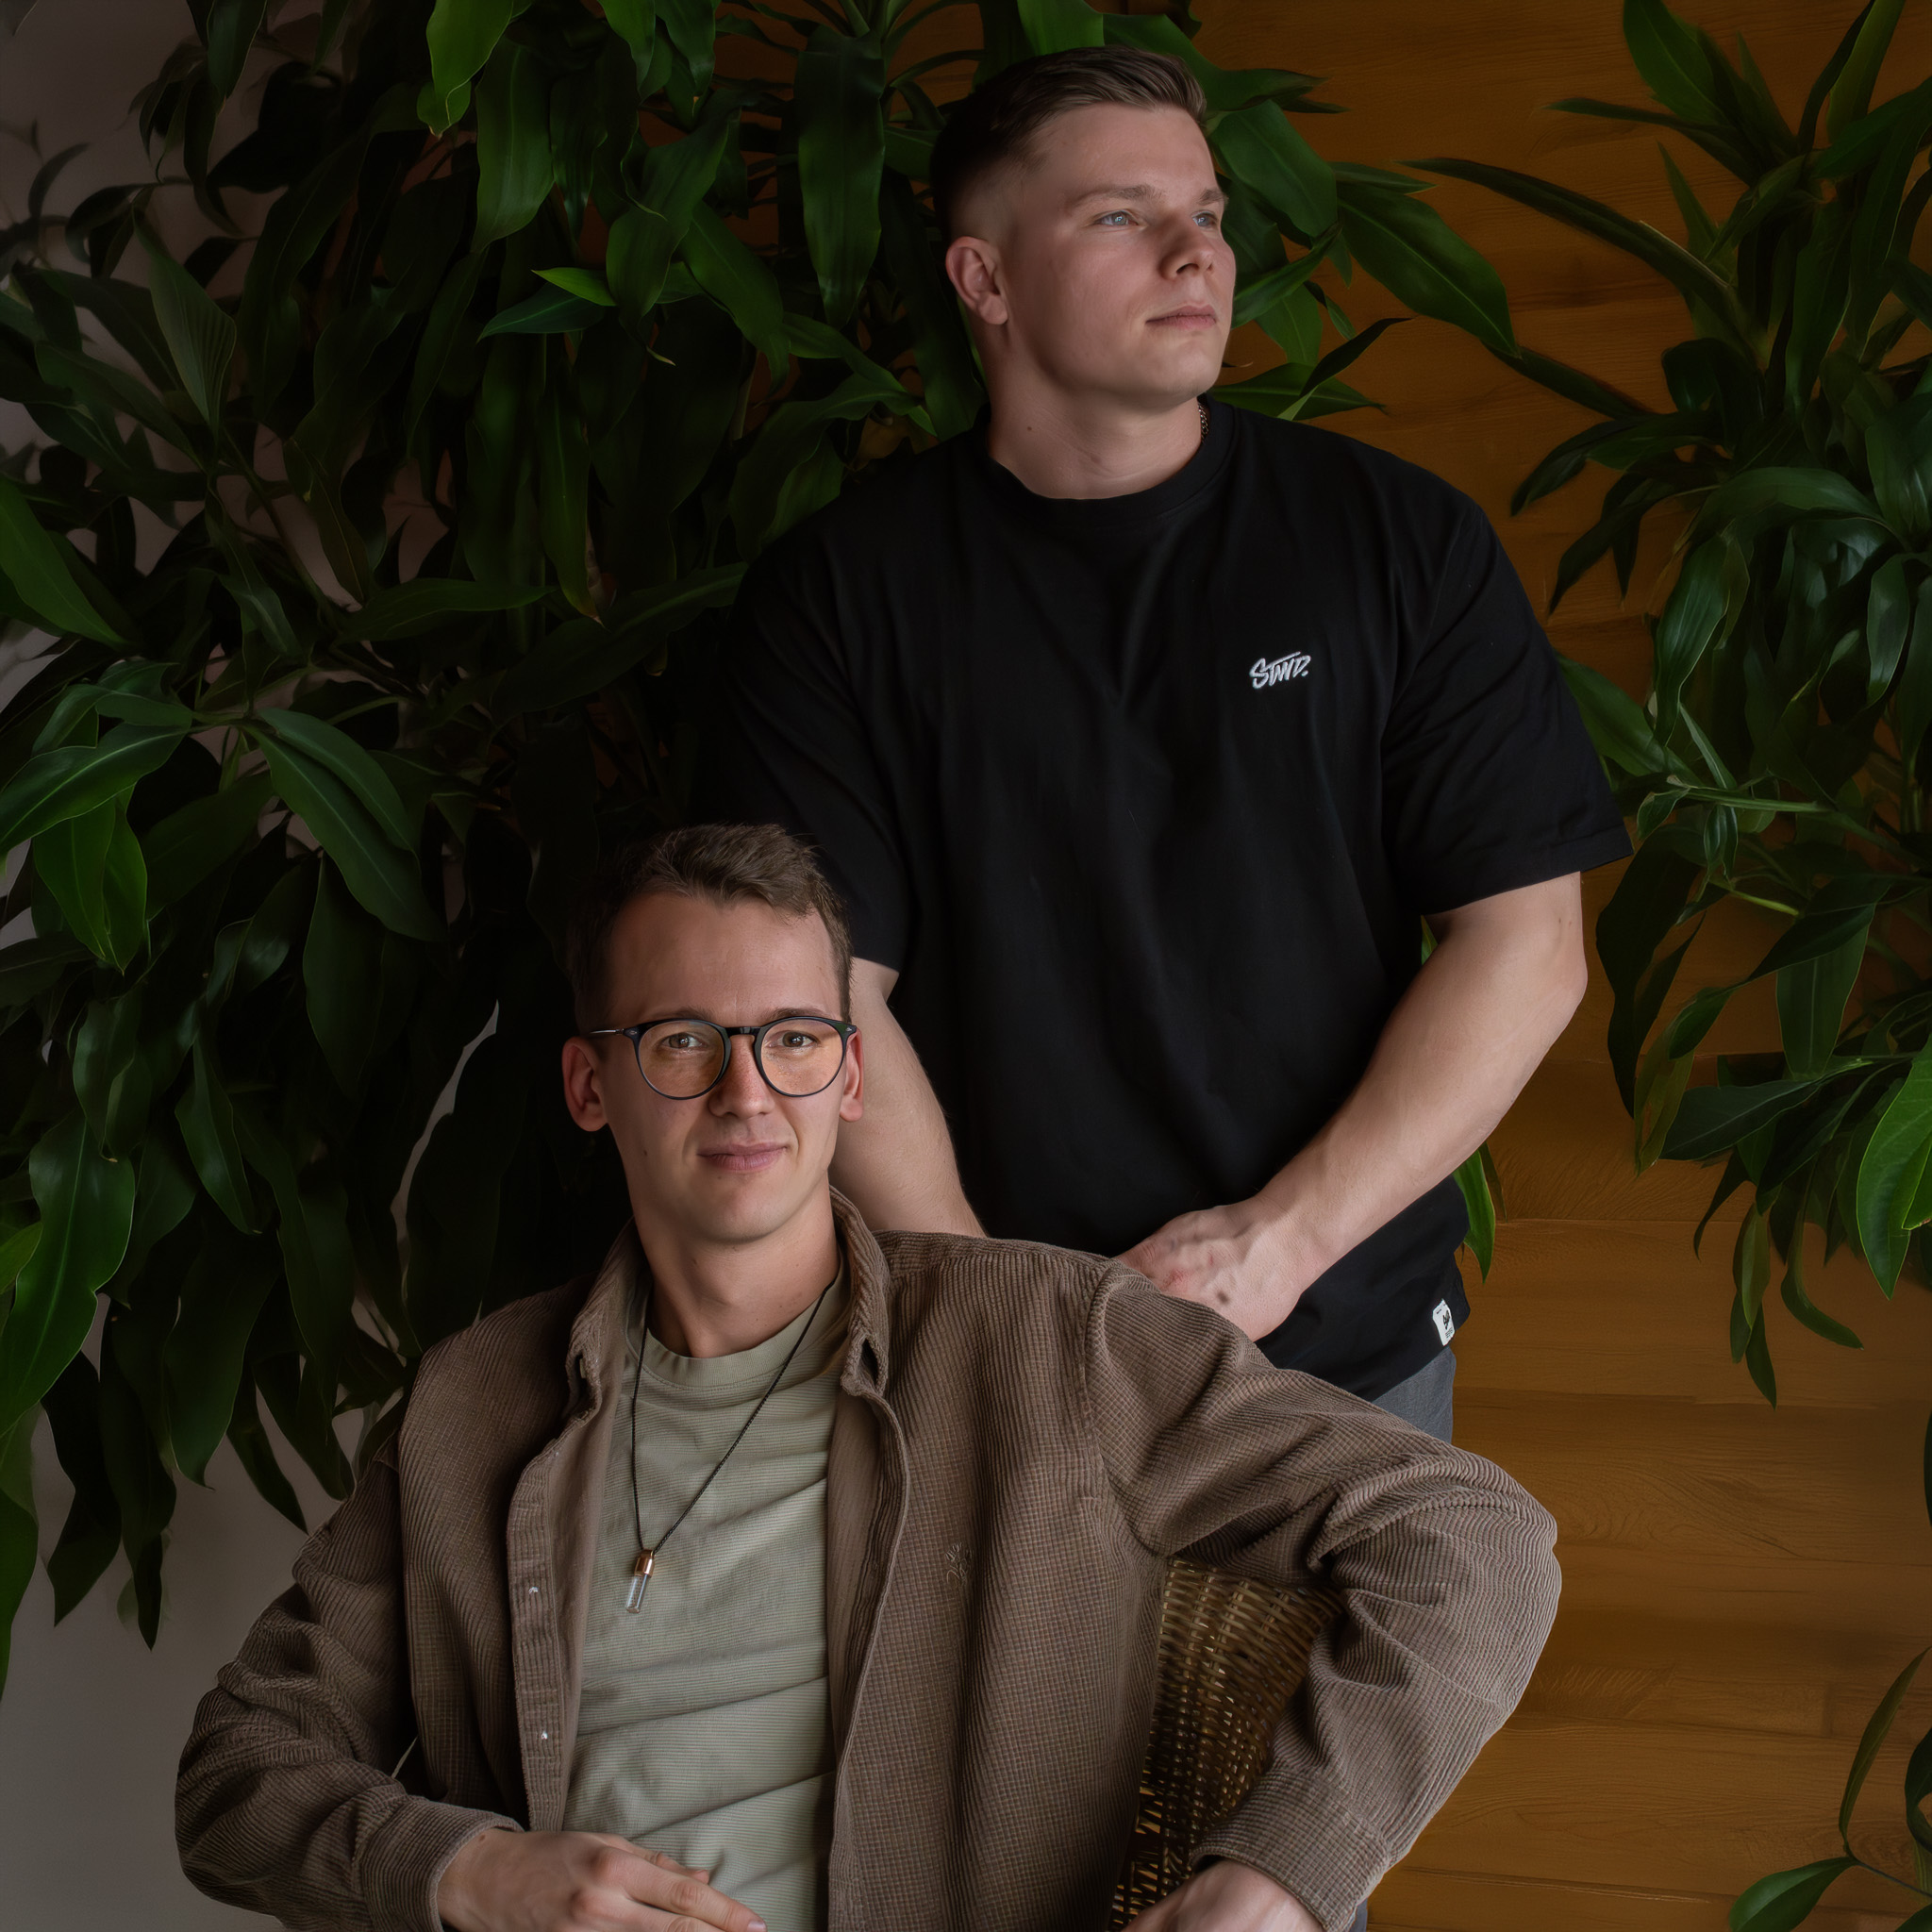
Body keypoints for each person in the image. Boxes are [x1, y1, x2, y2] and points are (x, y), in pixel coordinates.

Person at [176, 824, 1560, 1932]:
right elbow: (241, 1766)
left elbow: (1475, 1539)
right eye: (681, 1043)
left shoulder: (1048, 1340)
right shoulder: (474, 1406)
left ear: (848, 1080)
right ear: (590, 1087)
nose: (745, 1094)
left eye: (792, 1039)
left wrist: (1281, 1879)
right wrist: (475, 1876)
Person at [695, 47, 1629, 1446]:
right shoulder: (842, 599)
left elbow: (1528, 944)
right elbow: (821, 1005)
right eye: (1124, 217)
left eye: (1209, 211)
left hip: (1343, 1352)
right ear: (985, 282)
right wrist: (1000, 1317)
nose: (1199, 251)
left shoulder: (1395, 544)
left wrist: (1279, 1244)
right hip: (995, 1365)